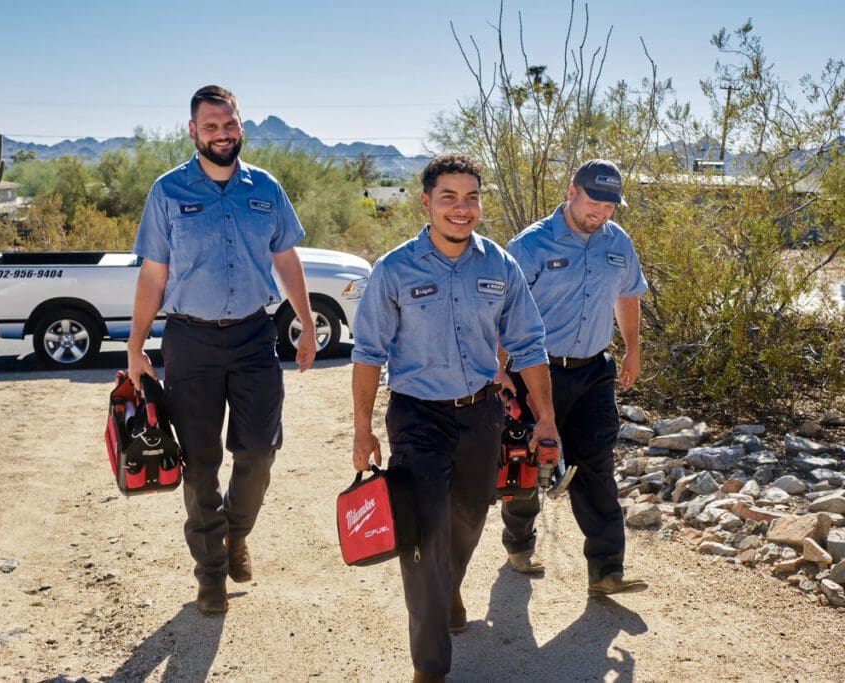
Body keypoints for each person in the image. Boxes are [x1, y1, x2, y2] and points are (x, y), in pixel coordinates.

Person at [351, 153, 559, 682]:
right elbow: (368, 353)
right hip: (418, 416)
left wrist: (546, 418)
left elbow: (529, 344)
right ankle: (431, 665)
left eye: (471, 198)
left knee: (468, 519)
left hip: (481, 414)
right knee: (424, 532)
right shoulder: (394, 269)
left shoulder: (499, 265)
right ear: (426, 202)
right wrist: (361, 429)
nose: (461, 209)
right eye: (449, 197)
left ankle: (449, 587)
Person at [126, 85, 317, 615]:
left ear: (241, 125)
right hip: (190, 341)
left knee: (259, 450)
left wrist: (305, 323)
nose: (221, 134)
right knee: (200, 462)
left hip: (255, 336)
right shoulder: (168, 192)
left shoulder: (266, 189)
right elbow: (153, 276)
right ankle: (210, 573)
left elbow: (286, 258)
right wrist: (135, 348)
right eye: (210, 126)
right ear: (193, 131)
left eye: (228, 124)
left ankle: (235, 532)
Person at [498, 158, 650, 597]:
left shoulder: (617, 242)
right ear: (571, 192)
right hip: (534, 372)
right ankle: (519, 543)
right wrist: (497, 368)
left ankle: (606, 569)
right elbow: (500, 311)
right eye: (593, 201)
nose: (600, 212)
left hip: (593, 371)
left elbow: (627, 294)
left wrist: (633, 350)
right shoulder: (530, 245)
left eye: (609, 205)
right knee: (526, 461)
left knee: (597, 464)